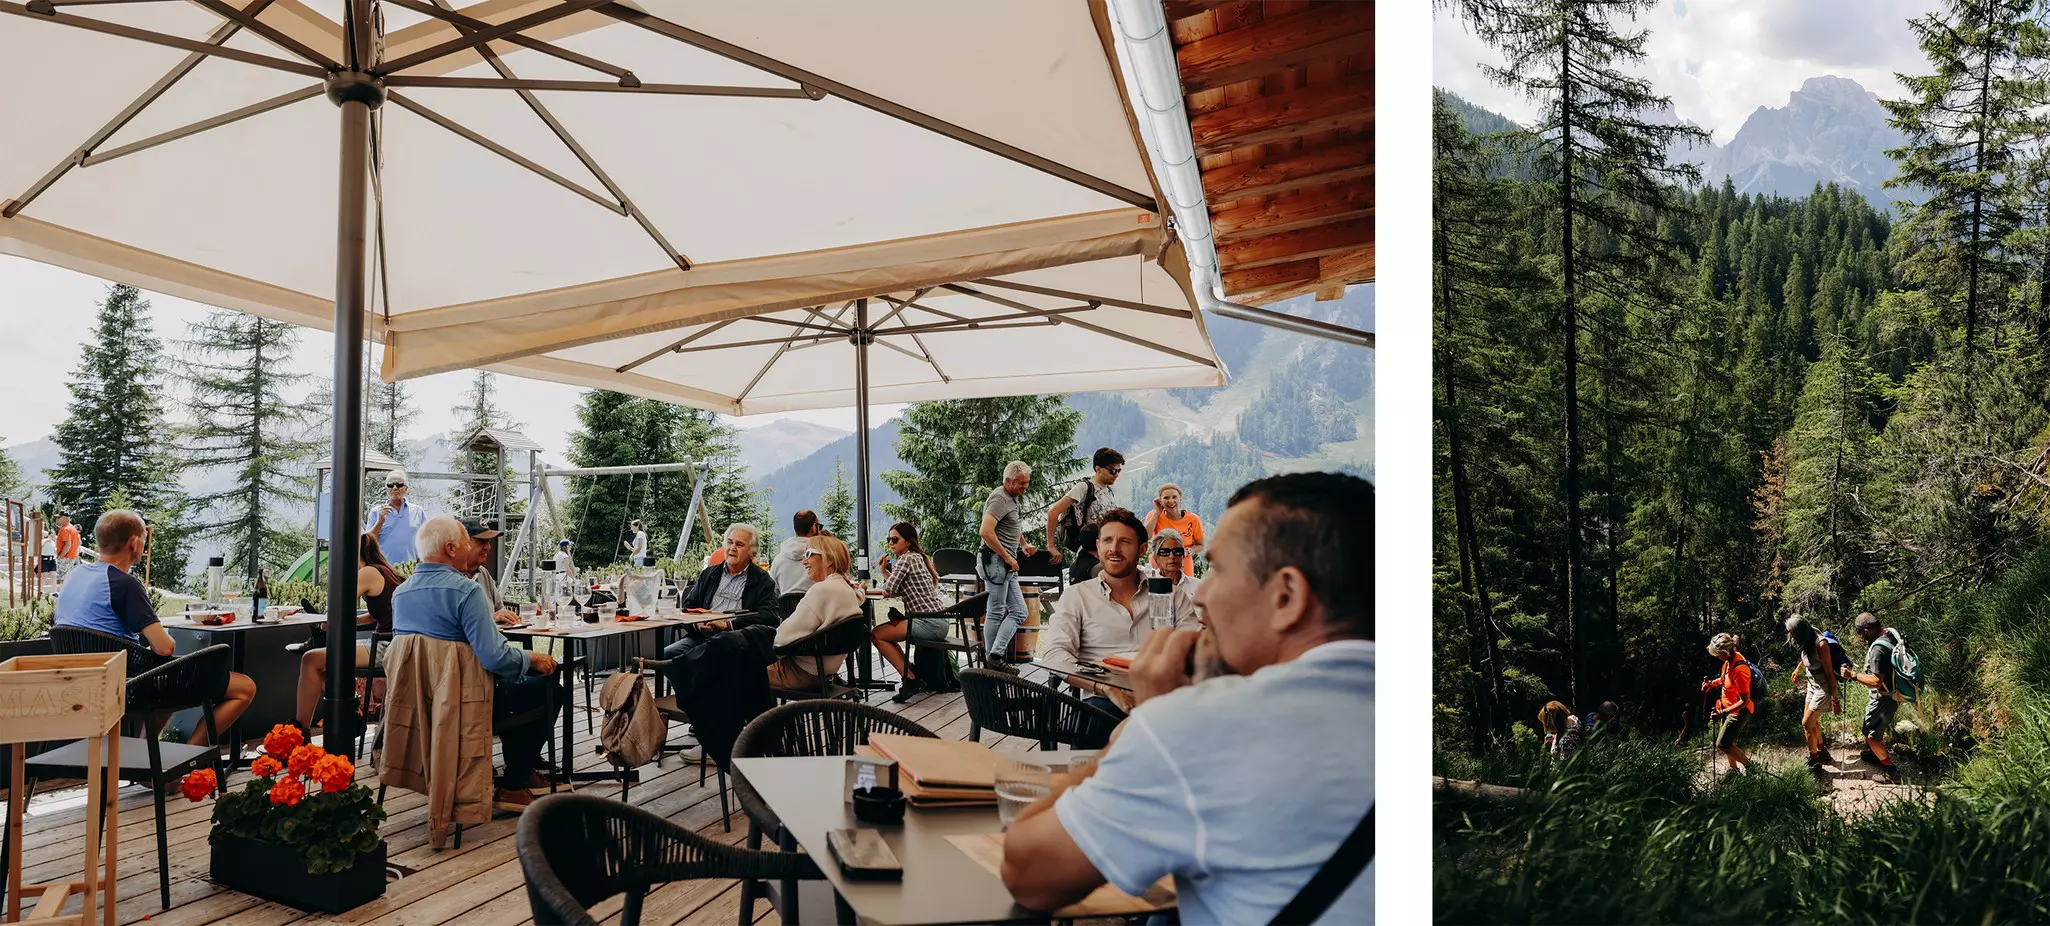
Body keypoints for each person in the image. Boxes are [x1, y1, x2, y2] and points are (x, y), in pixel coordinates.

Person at [1001, 473, 1373, 924]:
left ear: (1286, 595)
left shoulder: (1202, 726)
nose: (1203, 598)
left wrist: (1155, 720)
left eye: (1219, 569)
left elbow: (1028, 872)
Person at [392, 515, 560, 808]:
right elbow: (495, 656)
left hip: (420, 707)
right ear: (451, 548)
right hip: (466, 705)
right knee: (548, 690)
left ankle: (522, 772)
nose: (483, 548)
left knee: (521, 687)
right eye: (469, 542)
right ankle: (514, 782)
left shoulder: (401, 593)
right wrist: (532, 657)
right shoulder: (465, 590)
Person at [54, 509, 254, 747]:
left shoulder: (75, 576)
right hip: (126, 687)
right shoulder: (124, 584)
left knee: (164, 676)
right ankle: (186, 759)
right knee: (244, 687)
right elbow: (164, 647)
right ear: (134, 543)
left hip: (78, 683)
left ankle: (151, 763)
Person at [1040, 509, 1198, 716]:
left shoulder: (1171, 596)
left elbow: (1194, 650)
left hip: (1163, 700)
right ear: (1098, 546)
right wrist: (1107, 688)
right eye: (1107, 541)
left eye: (1124, 542)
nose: (1114, 549)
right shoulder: (1077, 597)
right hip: (1102, 701)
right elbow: (1055, 655)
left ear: (1142, 550)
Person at [294, 532, 405, 732]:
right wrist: (340, 622)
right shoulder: (384, 571)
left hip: (387, 645)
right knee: (325, 662)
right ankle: (352, 713)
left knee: (310, 659)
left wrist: (328, 621)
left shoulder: (368, 572)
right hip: (394, 641)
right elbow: (374, 616)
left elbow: (339, 603)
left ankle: (299, 732)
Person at [766, 534, 866, 690]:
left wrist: (758, 647)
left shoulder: (821, 590)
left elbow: (781, 639)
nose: (804, 561)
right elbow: (859, 597)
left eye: (808, 554)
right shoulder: (847, 590)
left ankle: (767, 715)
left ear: (829, 559)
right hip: (825, 673)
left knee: (738, 668)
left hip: (799, 673)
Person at [871, 521, 950, 703]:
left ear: (907, 541)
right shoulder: (917, 557)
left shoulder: (906, 559)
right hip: (936, 621)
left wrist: (883, 571)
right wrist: (885, 572)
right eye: (889, 539)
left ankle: (911, 678)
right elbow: (897, 589)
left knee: (877, 635)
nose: (890, 543)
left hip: (928, 622)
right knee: (882, 634)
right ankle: (911, 674)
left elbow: (889, 589)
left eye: (895, 539)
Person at [979, 461, 1039, 672]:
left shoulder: (1012, 498)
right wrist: (1006, 556)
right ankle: (992, 660)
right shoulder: (999, 498)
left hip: (1008, 563)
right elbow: (986, 532)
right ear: (1008, 481)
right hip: (997, 562)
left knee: (1019, 611)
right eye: (1021, 484)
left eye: (1027, 483)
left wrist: (1022, 544)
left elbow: (1011, 525)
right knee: (995, 612)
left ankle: (995, 655)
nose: (1025, 487)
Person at [1840, 611, 1903, 780]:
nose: (1860, 637)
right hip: (1894, 693)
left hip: (1885, 698)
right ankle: (1876, 755)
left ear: (1866, 631)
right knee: (1869, 728)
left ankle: (1891, 771)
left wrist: (1853, 675)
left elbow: (1876, 681)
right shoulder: (1889, 634)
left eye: (1860, 633)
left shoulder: (1877, 650)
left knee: (1871, 735)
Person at [1046, 447, 1124, 583]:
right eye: (1112, 470)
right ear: (1098, 468)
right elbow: (1053, 512)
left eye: (1118, 471)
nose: (1116, 474)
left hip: (1105, 550)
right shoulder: (1084, 487)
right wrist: (1051, 546)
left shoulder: (1108, 491)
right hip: (1088, 552)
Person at [1786, 615, 1840, 770]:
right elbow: (1806, 655)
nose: (1791, 636)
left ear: (1801, 631)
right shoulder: (1807, 637)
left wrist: (1835, 700)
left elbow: (1830, 674)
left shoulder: (1821, 644)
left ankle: (1814, 761)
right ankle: (1822, 752)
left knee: (1806, 724)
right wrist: (1798, 669)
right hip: (1812, 685)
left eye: (1793, 633)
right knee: (1811, 722)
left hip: (1823, 688)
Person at [1702, 632, 1754, 776]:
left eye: (1717, 654)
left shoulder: (1740, 669)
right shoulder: (1728, 662)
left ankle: (1752, 767)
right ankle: (1733, 770)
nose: (1716, 657)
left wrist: (1723, 713)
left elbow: (1745, 700)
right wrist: (1711, 684)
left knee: (1723, 744)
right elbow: (1725, 679)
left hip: (1738, 711)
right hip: (1727, 707)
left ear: (1724, 653)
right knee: (1731, 741)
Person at [1141, 483, 1204, 580]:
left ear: (1180, 499)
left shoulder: (1193, 519)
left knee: (1183, 593)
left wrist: (1188, 551)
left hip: (1183, 565)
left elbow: (1200, 545)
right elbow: (1146, 536)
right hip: (1159, 564)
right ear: (1160, 501)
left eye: (1174, 497)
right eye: (1166, 498)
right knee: (1159, 593)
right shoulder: (1154, 516)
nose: (1171, 501)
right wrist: (1157, 513)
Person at [365, 470, 428, 563]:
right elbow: (367, 542)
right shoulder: (376, 511)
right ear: (386, 490)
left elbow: (426, 541)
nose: (395, 488)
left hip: (411, 569)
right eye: (390, 485)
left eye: (399, 485)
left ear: (406, 489)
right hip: (385, 569)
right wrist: (379, 522)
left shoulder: (418, 511)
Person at [769, 509, 825, 595]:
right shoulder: (823, 557)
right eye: (819, 527)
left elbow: (772, 592)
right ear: (814, 528)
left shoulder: (778, 560)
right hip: (816, 607)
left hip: (786, 608)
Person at [53, 513, 81, 581]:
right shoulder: (73, 528)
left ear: (65, 518)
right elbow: (78, 543)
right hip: (72, 557)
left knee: (62, 580)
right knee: (68, 578)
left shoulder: (65, 529)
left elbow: (68, 544)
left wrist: (60, 556)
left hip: (66, 557)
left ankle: (62, 592)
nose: (57, 519)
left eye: (59, 517)